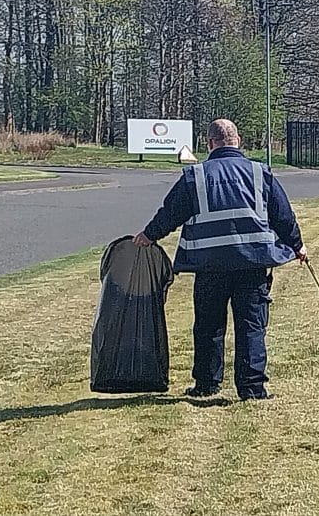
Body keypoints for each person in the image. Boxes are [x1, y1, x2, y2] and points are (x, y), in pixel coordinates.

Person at [132, 119, 308, 400]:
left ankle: (206, 384)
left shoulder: (195, 176)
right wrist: (297, 246)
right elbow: (283, 216)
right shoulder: (261, 173)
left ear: (209, 143)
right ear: (238, 141)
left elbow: (170, 213)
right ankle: (252, 389)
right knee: (251, 326)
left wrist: (148, 236)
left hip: (210, 265)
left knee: (208, 326)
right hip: (252, 265)